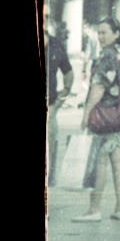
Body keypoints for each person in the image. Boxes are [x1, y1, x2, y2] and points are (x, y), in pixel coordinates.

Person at [72, 17, 120, 222]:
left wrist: (86, 114)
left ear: (116, 33)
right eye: (99, 32)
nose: (101, 36)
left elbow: (98, 87)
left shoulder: (107, 56)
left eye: (104, 32)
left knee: (100, 161)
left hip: (105, 116)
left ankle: (94, 209)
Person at [46, 15, 74, 185]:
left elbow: (68, 72)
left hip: (50, 107)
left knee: (50, 150)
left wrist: (63, 96)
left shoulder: (56, 44)